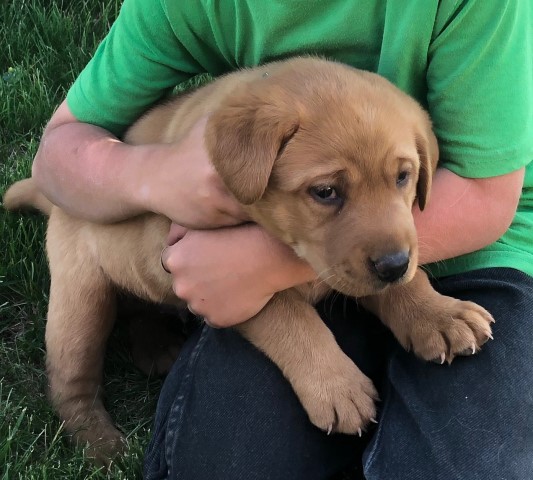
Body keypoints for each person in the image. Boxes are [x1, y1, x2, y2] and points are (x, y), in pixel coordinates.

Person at [31, 0, 533, 478]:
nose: (391, 243)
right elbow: (60, 152)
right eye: (328, 191)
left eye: (403, 176)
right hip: (183, 265)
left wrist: (402, 292)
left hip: (477, 246)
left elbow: (480, 199)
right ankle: (77, 399)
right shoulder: (245, 158)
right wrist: (155, 175)